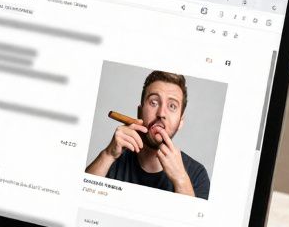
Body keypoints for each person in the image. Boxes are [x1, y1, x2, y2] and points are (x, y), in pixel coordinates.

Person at [85, 71, 211, 199]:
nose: (161, 113)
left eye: (172, 106)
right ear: (140, 112)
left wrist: (181, 179)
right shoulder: (112, 160)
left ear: (180, 122)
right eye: (154, 103)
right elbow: (80, 197)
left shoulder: (197, 174)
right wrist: (108, 154)